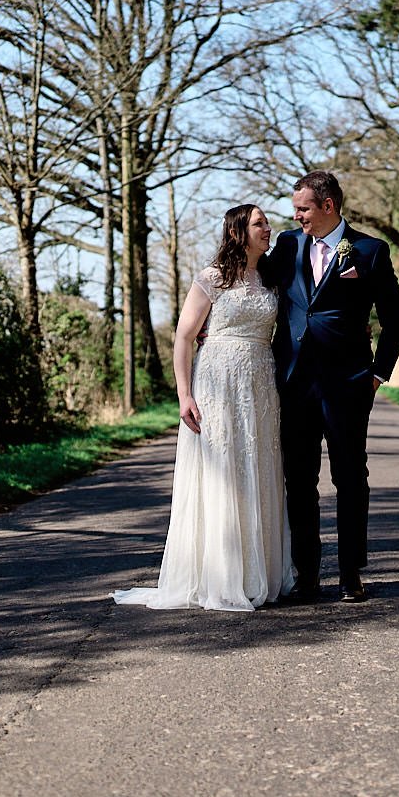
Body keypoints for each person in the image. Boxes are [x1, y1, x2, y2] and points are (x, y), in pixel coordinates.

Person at [113, 204, 294, 611]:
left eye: (267, 222)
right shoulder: (211, 278)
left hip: (261, 383)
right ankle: (219, 574)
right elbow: (183, 337)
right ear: (237, 233)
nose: (268, 228)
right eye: (259, 223)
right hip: (216, 382)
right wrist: (184, 395)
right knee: (224, 469)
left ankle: (257, 572)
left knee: (258, 470)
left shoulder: (271, 278)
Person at [261, 171, 399, 603]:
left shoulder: (370, 251)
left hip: (347, 384)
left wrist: (378, 374)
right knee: (299, 480)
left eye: (303, 209)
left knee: (350, 477)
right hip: (293, 383)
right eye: (295, 210)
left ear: (328, 206)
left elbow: (395, 321)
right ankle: (307, 574)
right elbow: (248, 278)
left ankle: (350, 573)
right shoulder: (288, 245)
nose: (297, 217)